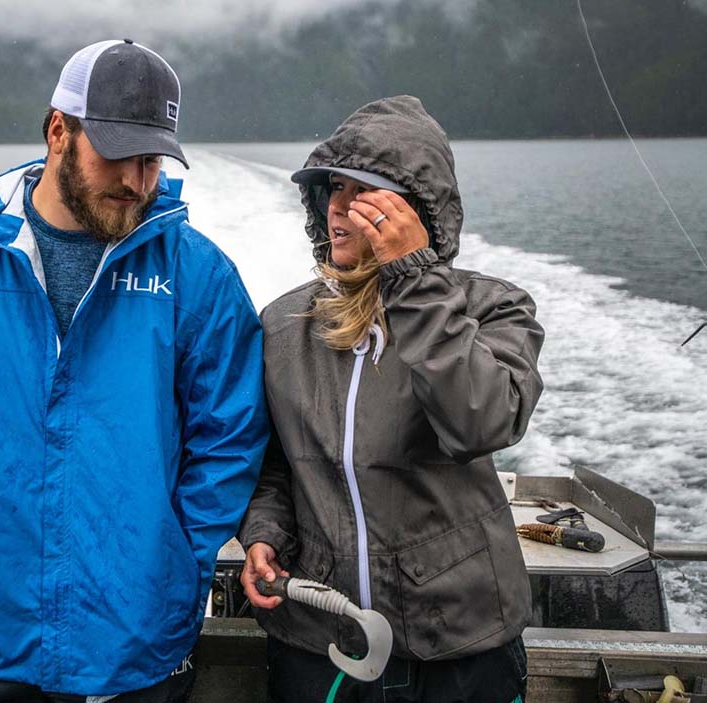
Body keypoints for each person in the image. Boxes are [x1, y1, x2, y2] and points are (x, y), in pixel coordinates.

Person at [0, 39, 268, 702]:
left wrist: (175, 563)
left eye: (154, 159)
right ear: (59, 130)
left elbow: (229, 435)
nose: (140, 181)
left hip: (130, 645)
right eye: (120, 154)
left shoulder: (196, 273)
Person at [238, 95, 544, 703]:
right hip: (321, 635)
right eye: (331, 190)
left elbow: (482, 420)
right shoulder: (284, 325)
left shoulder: (493, 310)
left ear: (420, 211)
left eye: (366, 194)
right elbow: (275, 462)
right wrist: (262, 533)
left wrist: (415, 281)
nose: (340, 210)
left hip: (459, 640)